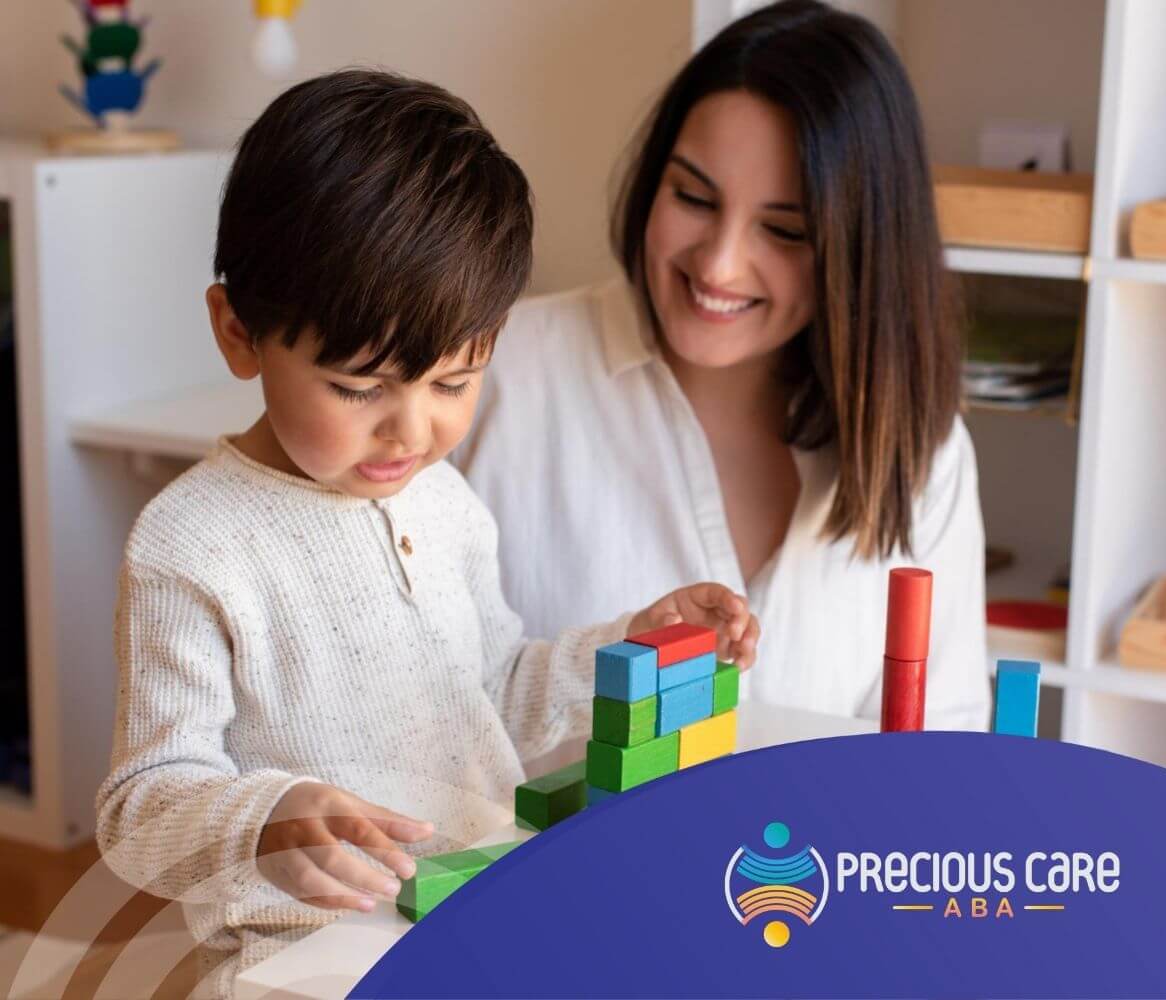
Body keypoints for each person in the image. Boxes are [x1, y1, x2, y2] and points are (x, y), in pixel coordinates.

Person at [94, 69, 757, 998]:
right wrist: (266, 818)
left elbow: (492, 694)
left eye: (453, 381)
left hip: (477, 922)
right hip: (299, 967)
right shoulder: (192, 545)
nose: (412, 432)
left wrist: (630, 644)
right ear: (239, 332)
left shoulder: (444, 504)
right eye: (360, 387)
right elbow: (140, 806)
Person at [456, 0, 989, 729]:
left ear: (861, 250)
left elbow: (943, 743)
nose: (720, 264)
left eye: (784, 229)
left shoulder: (925, 452)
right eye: (694, 197)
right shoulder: (489, 374)